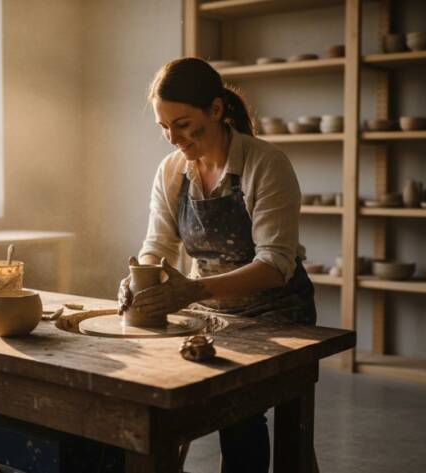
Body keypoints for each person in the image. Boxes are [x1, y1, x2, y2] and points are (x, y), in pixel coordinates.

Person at [117, 57, 316, 472]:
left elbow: (276, 264)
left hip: (275, 311)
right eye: (164, 127)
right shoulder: (172, 171)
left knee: (239, 413)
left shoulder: (266, 164)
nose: (173, 137)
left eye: (184, 124)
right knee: (149, 396)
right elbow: (158, 244)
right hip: (207, 311)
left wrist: (191, 291)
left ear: (217, 110)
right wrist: (141, 279)